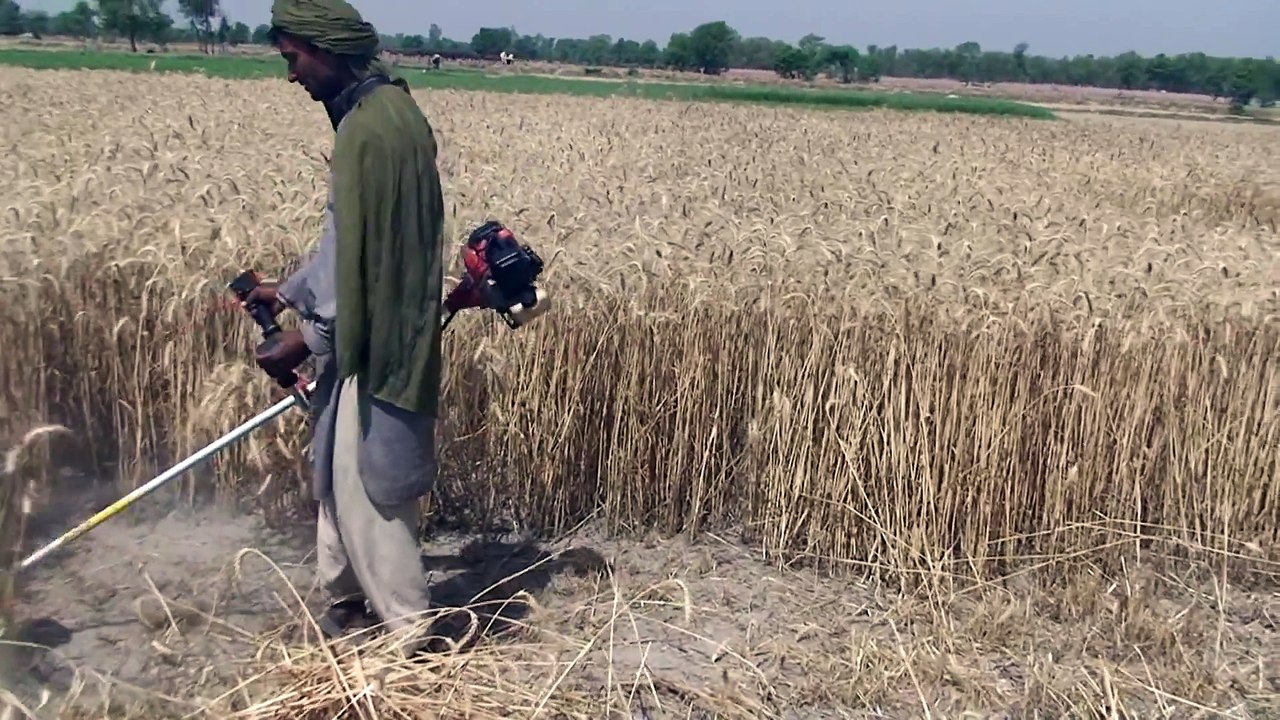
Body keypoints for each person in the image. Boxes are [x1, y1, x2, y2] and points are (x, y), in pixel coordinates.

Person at [242, 0, 446, 652]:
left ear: (324, 49)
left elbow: (370, 262)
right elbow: (348, 244)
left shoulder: (370, 129)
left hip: (379, 343)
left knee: (372, 492)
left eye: (293, 59)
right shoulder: (388, 113)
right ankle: (348, 607)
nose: (292, 75)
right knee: (336, 469)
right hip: (367, 332)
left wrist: (308, 336)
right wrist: (291, 290)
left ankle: (411, 638)